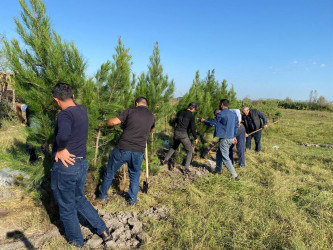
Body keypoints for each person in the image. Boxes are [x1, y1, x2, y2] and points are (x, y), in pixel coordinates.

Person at [51, 83, 110, 247]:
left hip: (66, 166)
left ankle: (76, 243)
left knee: (67, 207)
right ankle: (103, 230)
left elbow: (63, 136)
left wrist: (61, 149)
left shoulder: (64, 115)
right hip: (81, 164)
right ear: (73, 96)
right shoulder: (81, 110)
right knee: (78, 198)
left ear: (56, 100)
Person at [98, 97, 155, 205]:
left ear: (136, 103)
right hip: (138, 151)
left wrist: (105, 123)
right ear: (146, 105)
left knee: (110, 172)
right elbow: (152, 130)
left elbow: (114, 122)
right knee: (134, 175)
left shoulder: (130, 111)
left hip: (123, 148)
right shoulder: (151, 116)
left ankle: (102, 197)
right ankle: (132, 201)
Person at [200, 99, 239, 179]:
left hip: (224, 138)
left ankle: (234, 175)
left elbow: (212, 124)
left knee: (225, 157)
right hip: (230, 138)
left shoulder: (220, 114)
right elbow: (236, 126)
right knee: (219, 154)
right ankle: (218, 171)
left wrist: (204, 121)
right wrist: (234, 136)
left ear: (221, 104)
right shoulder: (233, 114)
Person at [161, 102, 199, 174]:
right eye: (195, 109)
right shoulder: (191, 116)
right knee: (189, 150)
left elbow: (176, 121)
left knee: (174, 146)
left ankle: (165, 160)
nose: (194, 110)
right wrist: (195, 138)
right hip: (183, 134)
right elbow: (193, 128)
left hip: (176, 132)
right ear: (193, 108)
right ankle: (186, 168)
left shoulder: (181, 112)